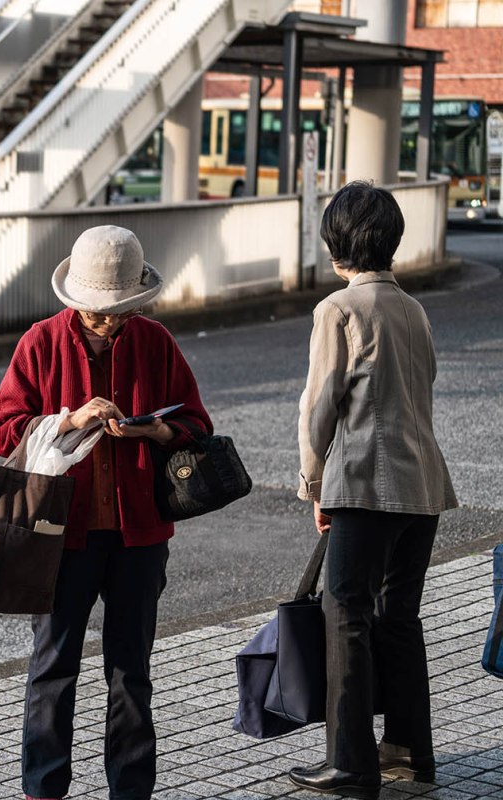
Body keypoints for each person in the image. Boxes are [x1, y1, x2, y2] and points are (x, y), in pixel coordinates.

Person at [0, 225, 213, 800]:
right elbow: (0, 427)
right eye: (98, 311)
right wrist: (68, 419)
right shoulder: (40, 342)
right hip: (59, 534)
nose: (109, 321)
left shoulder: (156, 341)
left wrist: (160, 429)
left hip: (139, 538)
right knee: (52, 668)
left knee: (131, 672)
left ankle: (131, 791)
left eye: (120, 311)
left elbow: (197, 424)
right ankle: (43, 790)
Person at [288, 181, 457, 798]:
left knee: (346, 616)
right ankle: (410, 754)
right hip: (424, 484)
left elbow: (319, 405)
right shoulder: (413, 308)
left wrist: (312, 484)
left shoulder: (338, 309)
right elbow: (424, 383)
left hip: (364, 483)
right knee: (398, 619)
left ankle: (351, 764)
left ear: (336, 244)